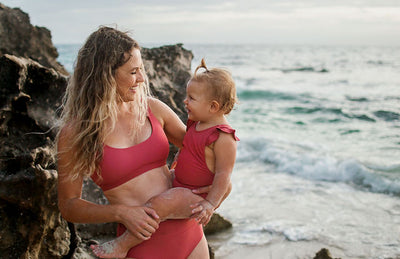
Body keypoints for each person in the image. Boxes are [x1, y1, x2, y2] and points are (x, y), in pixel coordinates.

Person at [56, 26, 225, 259]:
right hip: (140, 245)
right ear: (105, 75)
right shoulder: (77, 133)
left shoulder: (153, 109)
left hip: (191, 236)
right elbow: (69, 205)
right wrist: (121, 213)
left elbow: (203, 150)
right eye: (133, 72)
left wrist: (212, 183)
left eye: (141, 70)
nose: (142, 79)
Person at [90, 58, 239, 258]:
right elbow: (191, 148)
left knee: (157, 205)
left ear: (213, 106)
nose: (185, 101)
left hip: (194, 195)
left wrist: (211, 204)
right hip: (181, 186)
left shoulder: (223, 137)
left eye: (192, 98)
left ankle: (123, 244)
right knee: (165, 200)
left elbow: (223, 174)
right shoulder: (197, 124)